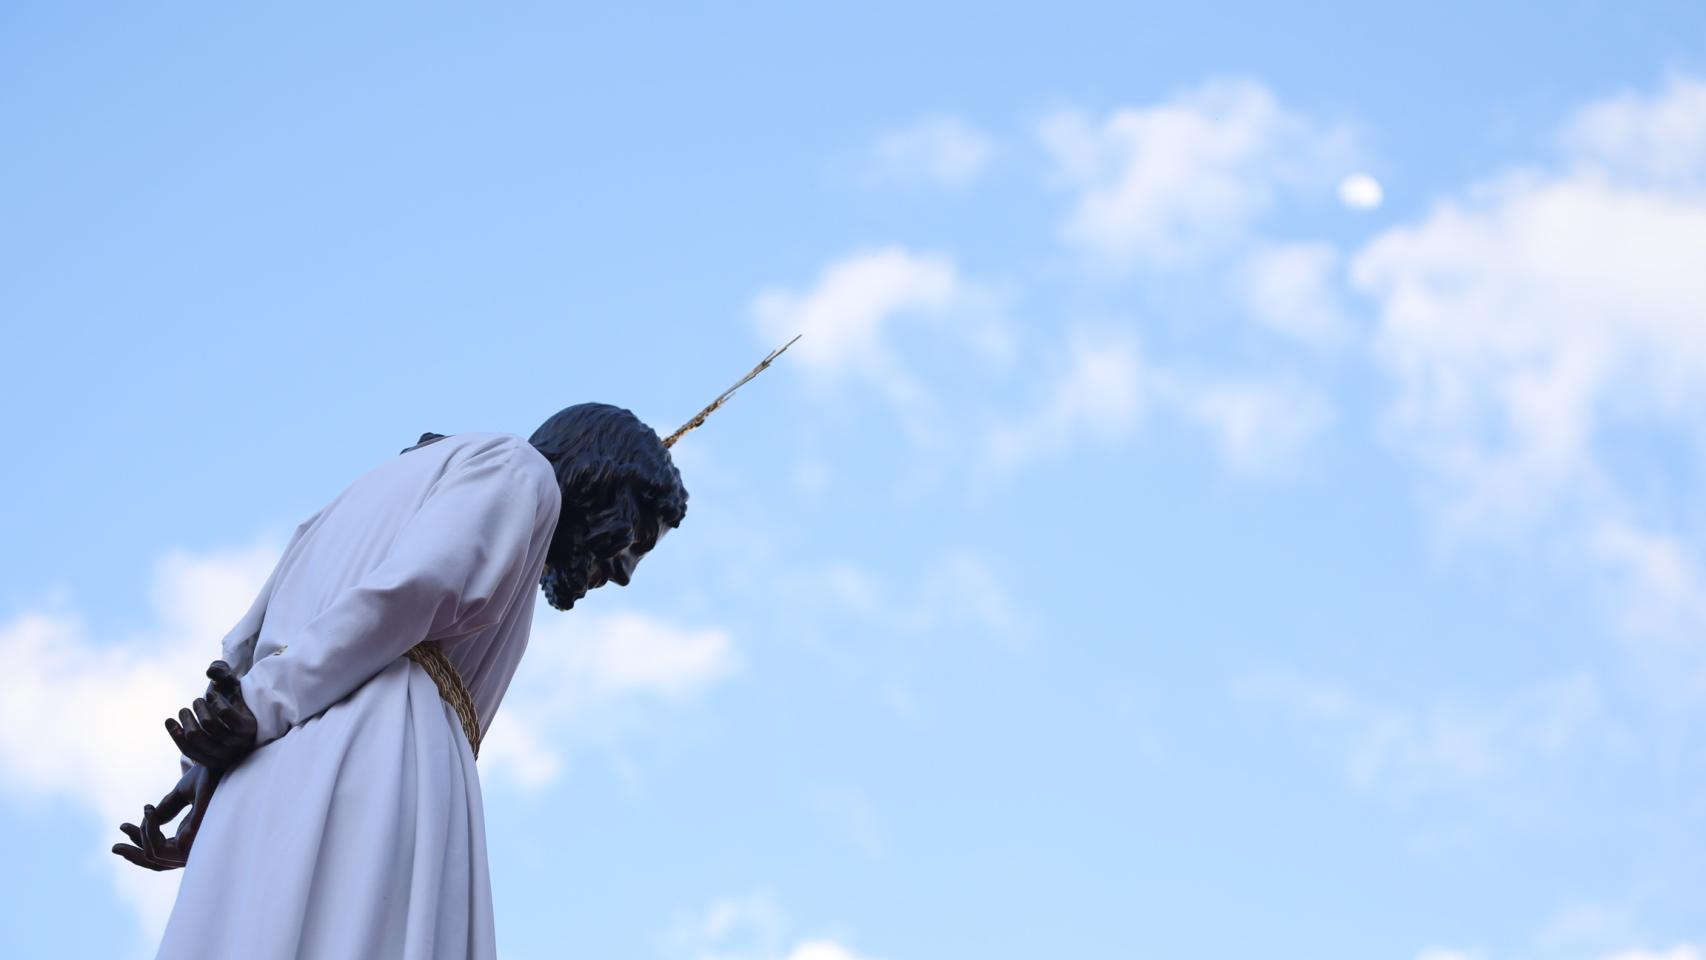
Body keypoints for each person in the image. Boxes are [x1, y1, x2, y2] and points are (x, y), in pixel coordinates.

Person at [112, 402, 688, 960]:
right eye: (636, 540)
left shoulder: (369, 489)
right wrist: (260, 708)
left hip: (265, 762)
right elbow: (416, 590)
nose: (624, 572)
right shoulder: (519, 469)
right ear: (604, 477)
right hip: (375, 752)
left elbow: (242, 647)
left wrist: (209, 777)